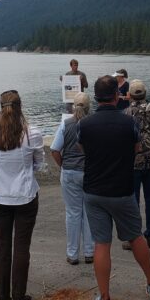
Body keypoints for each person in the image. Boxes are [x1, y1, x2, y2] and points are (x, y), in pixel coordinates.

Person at [78, 75, 150, 300]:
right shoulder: (128, 123)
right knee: (136, 237)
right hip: (122, 189)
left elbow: (82, 149)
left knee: (102, 243)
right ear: (117, 95)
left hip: (94, 190)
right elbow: (136, 148)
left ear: (95, 98)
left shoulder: (85, 124)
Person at [0, 90, 43, 300]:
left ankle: (1, 297)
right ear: (21, 105)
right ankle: (19, 296)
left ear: (1, 107)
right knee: (21, 247)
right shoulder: (32, 133)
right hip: (25, 195)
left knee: (1, 247)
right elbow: (38, 163)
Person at [51, 92, 95, 264]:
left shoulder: (65, 123)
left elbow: (55, 150)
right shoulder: (93, 123)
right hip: (89, 172)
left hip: (70, 172)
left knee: (72, 213)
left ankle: (72, 254)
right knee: (89, 212)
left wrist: (63, 165)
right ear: (89, 106)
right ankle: (89, 252)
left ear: (73, 106)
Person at [124, 79, 150, 249]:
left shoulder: (126, 113)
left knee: (132, 201)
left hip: (132, 164)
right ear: (145, 93)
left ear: (130, 95)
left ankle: (134, 238)